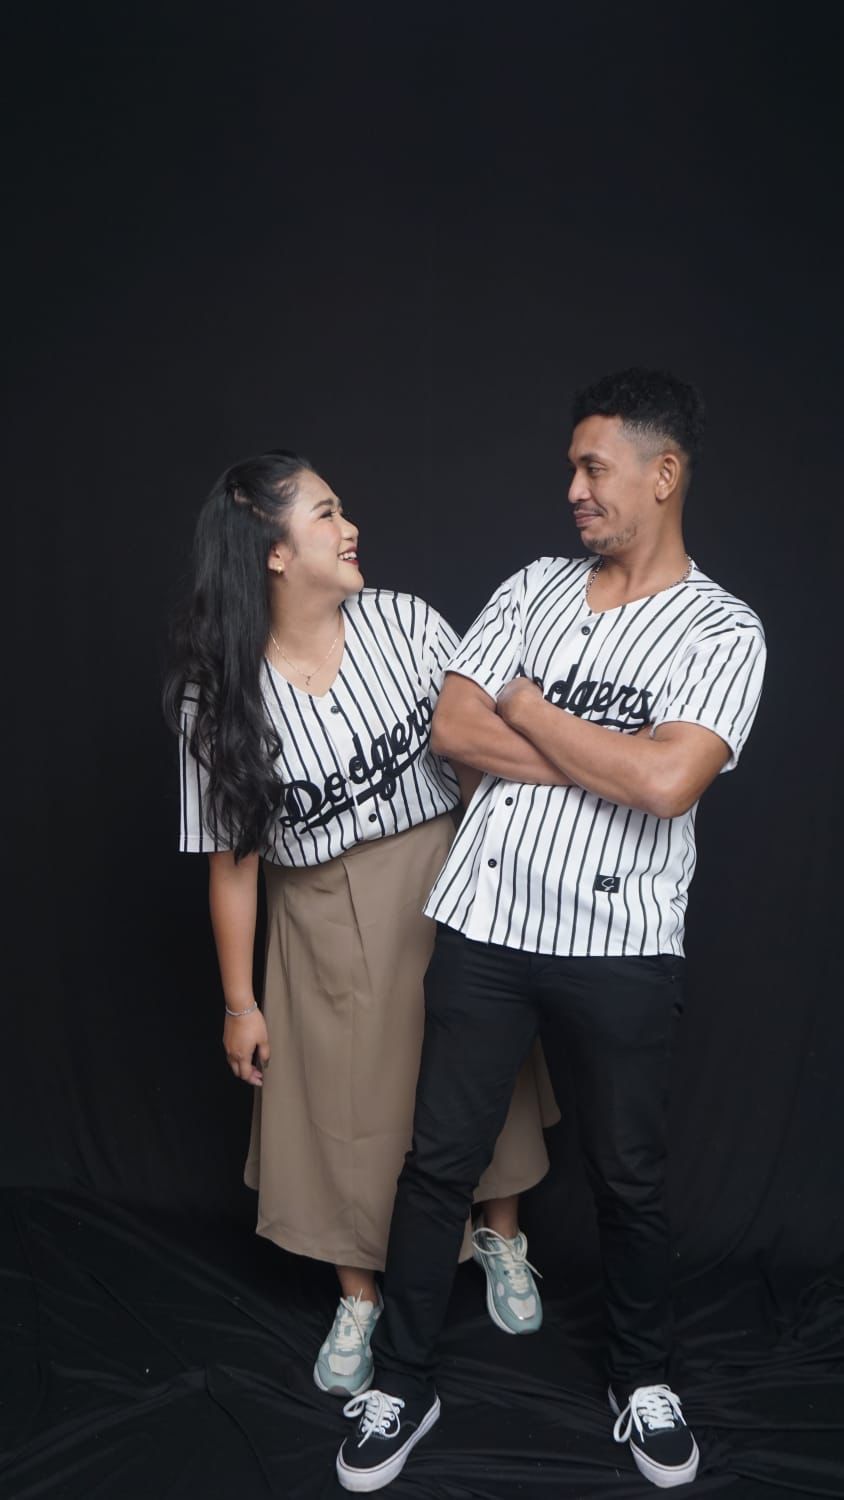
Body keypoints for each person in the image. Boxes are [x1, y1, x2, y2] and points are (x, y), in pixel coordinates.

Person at [335, 369, 767, 1492]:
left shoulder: (724, 628)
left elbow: (667, 784)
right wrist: (606, 759)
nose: (573, 488)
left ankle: (643, 1379)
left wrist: (528, 708)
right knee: (437, 1166)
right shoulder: (533, 585)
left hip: (623, 948)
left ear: (662, 474)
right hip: (483, 928)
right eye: (571, 468)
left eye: (593, 467)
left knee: (628, 1178)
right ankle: (404, 1382)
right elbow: (450, 727)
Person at [163, 450, 558, 1401]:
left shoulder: (407, 623)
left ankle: (502, 1237)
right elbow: (232, 862)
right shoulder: (217, 693)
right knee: (346, 1110)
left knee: (480, 1068)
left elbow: (484, 753)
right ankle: (361, 1296)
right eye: (327, 514)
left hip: (442, 869)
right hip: (318, 911)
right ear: (272, 550)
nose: (351, 529)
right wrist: (238, 1004)